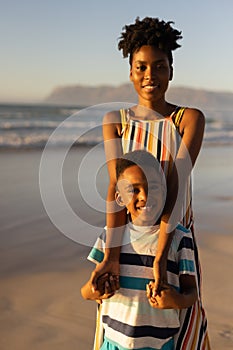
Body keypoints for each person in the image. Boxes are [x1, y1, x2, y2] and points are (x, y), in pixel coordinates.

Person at [90, 17, 210, 348]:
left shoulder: (188, 119)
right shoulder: (116, 121)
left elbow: (176, 187)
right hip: (130, 242)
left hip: (175, 238)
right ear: (130, 72)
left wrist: (161, 256)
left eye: (159, 67)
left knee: (179, 319)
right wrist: (112, 254)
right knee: (123, 325)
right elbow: (117, 189)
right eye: (141, 67)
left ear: (171, 71)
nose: (149, 75)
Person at [81, 150, 199, 350]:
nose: (144, 196)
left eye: (153, 187)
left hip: (159, 345)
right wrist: (93, 290)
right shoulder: (111, 237)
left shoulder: (180, 238)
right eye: (134, 190)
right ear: (119, 198)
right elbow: (86, 292)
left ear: (164, 191)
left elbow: (192, 293)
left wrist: (175, 300)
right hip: (112, 344)